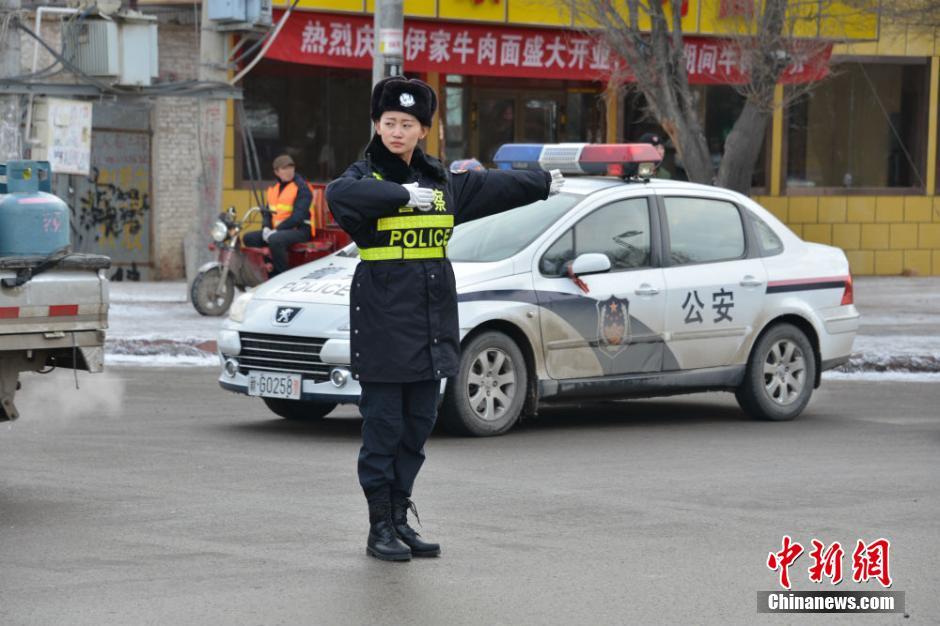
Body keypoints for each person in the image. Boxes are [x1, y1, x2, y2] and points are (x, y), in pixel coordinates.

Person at [326, 76, 564, 562]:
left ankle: (399, 517)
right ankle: (378, 528)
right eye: (388, 122)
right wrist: (397, 195)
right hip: (383, 322)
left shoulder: (439, 179)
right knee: (383, 429)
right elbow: (338, 196)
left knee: (418, 425)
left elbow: (491, 186)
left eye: (407, 124)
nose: (396, 131)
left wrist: (540, 184)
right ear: (376, 124)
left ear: (423, 131)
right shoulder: (364, 177)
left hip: (431, 321)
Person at [243, 154, 314, 276]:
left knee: (275, 239)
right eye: (284, 168)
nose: (289, 171)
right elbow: (267, 213)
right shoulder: (273, 189)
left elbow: (298, 217)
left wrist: (275, 230)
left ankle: (281, 276)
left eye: (291, 168)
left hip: (300, 230)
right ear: (276, 172)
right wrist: (265, 227)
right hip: (278, 230)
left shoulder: (302, 188)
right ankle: (268, 266)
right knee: (248, 238)